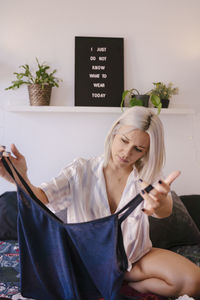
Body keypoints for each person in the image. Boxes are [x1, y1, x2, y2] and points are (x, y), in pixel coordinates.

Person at [0, 106, 200, 298]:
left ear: (147, 152)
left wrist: (160, 202)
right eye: (123, 140)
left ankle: (126, 284)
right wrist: (20, 177)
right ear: (114, 132)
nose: (126, 153)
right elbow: (42, 197)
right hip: (86, 261)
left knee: (193, 282)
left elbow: (162, 211)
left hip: (133, 259)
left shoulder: (146, 178)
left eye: (138, 149)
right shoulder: (80, 170)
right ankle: (111, 281)